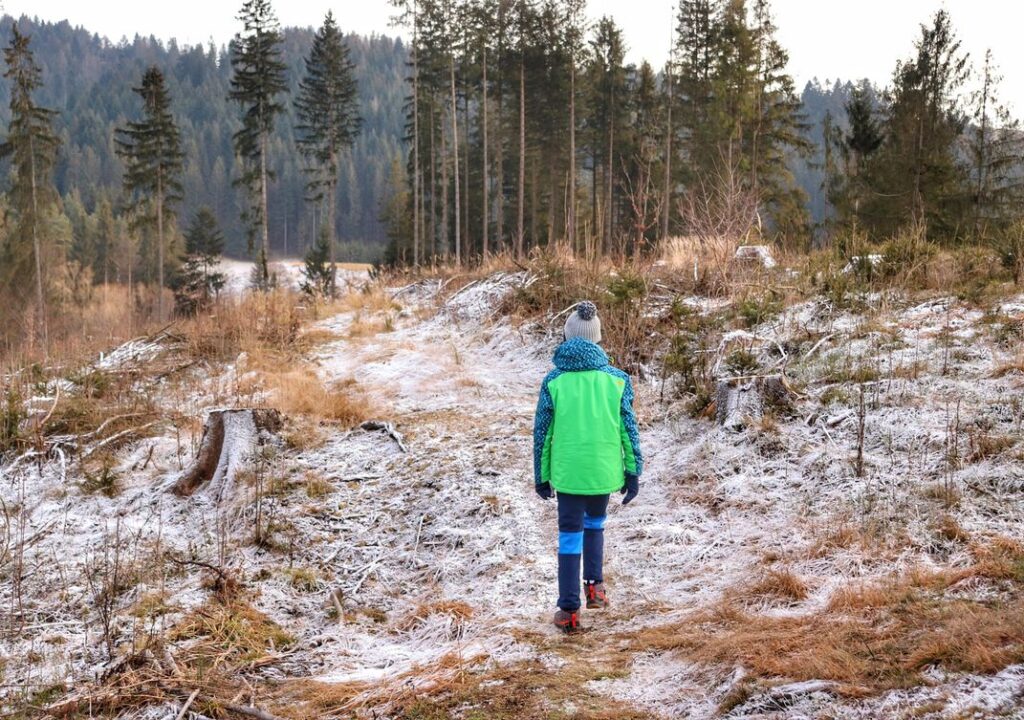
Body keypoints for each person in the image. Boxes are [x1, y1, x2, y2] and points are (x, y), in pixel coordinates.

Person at [532, 300, 643, 633]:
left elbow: (543, 433)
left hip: (569, 475)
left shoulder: (554, 381)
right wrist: (633, 470)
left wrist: (542, 475)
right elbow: (629, 428)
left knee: (569, 538)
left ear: (567, 338)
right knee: (595, 525)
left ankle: (569, 610)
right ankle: (595, 587)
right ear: (597, 340)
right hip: (603, 472)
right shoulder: (617, 380)